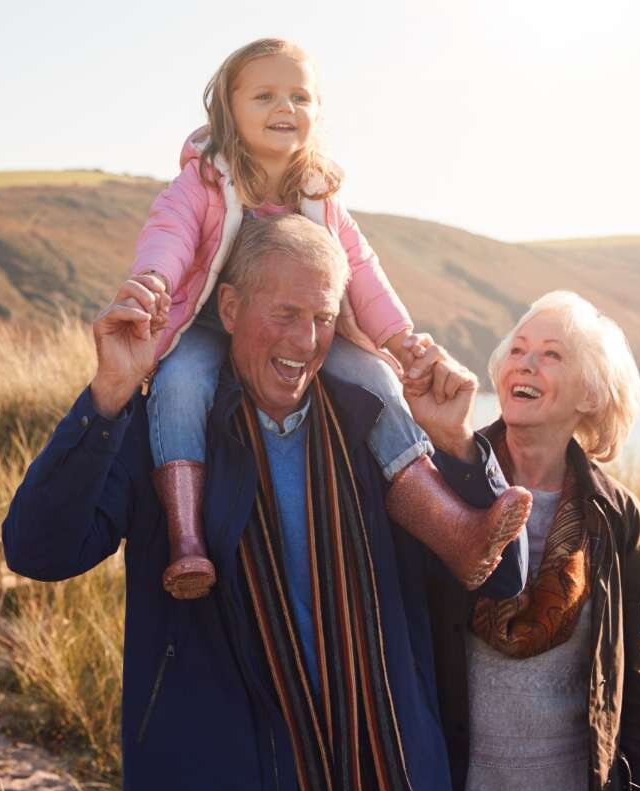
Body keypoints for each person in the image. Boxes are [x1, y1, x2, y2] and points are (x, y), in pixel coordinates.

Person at [2, 214, 528, 791]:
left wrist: (457, 444)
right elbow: (38, 550)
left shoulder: (380, 430)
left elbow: (500, 581)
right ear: (228, 307)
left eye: (325, 317)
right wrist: (109, 394)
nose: (306, 340)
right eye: (284, 313)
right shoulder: (166, 435)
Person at [129, 37, 530, 598]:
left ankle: (454, 529)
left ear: (317, 113)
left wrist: (399, 336)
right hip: (209, 324)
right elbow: (168, 235)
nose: (284, 108)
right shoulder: (204, 182)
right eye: (265, 95)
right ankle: (188, 540)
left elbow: (360, 267)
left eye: (300, 97)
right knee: (180, 384)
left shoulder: (320, 195)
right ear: (228, 106)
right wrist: (153, 282)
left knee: (377, 378)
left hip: (306, 327)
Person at [414, 291, 640, 791]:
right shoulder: (440, 486)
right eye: (519, 350)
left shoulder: (617, 517)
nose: (526, 364)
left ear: (590, 393)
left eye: (552, 355)